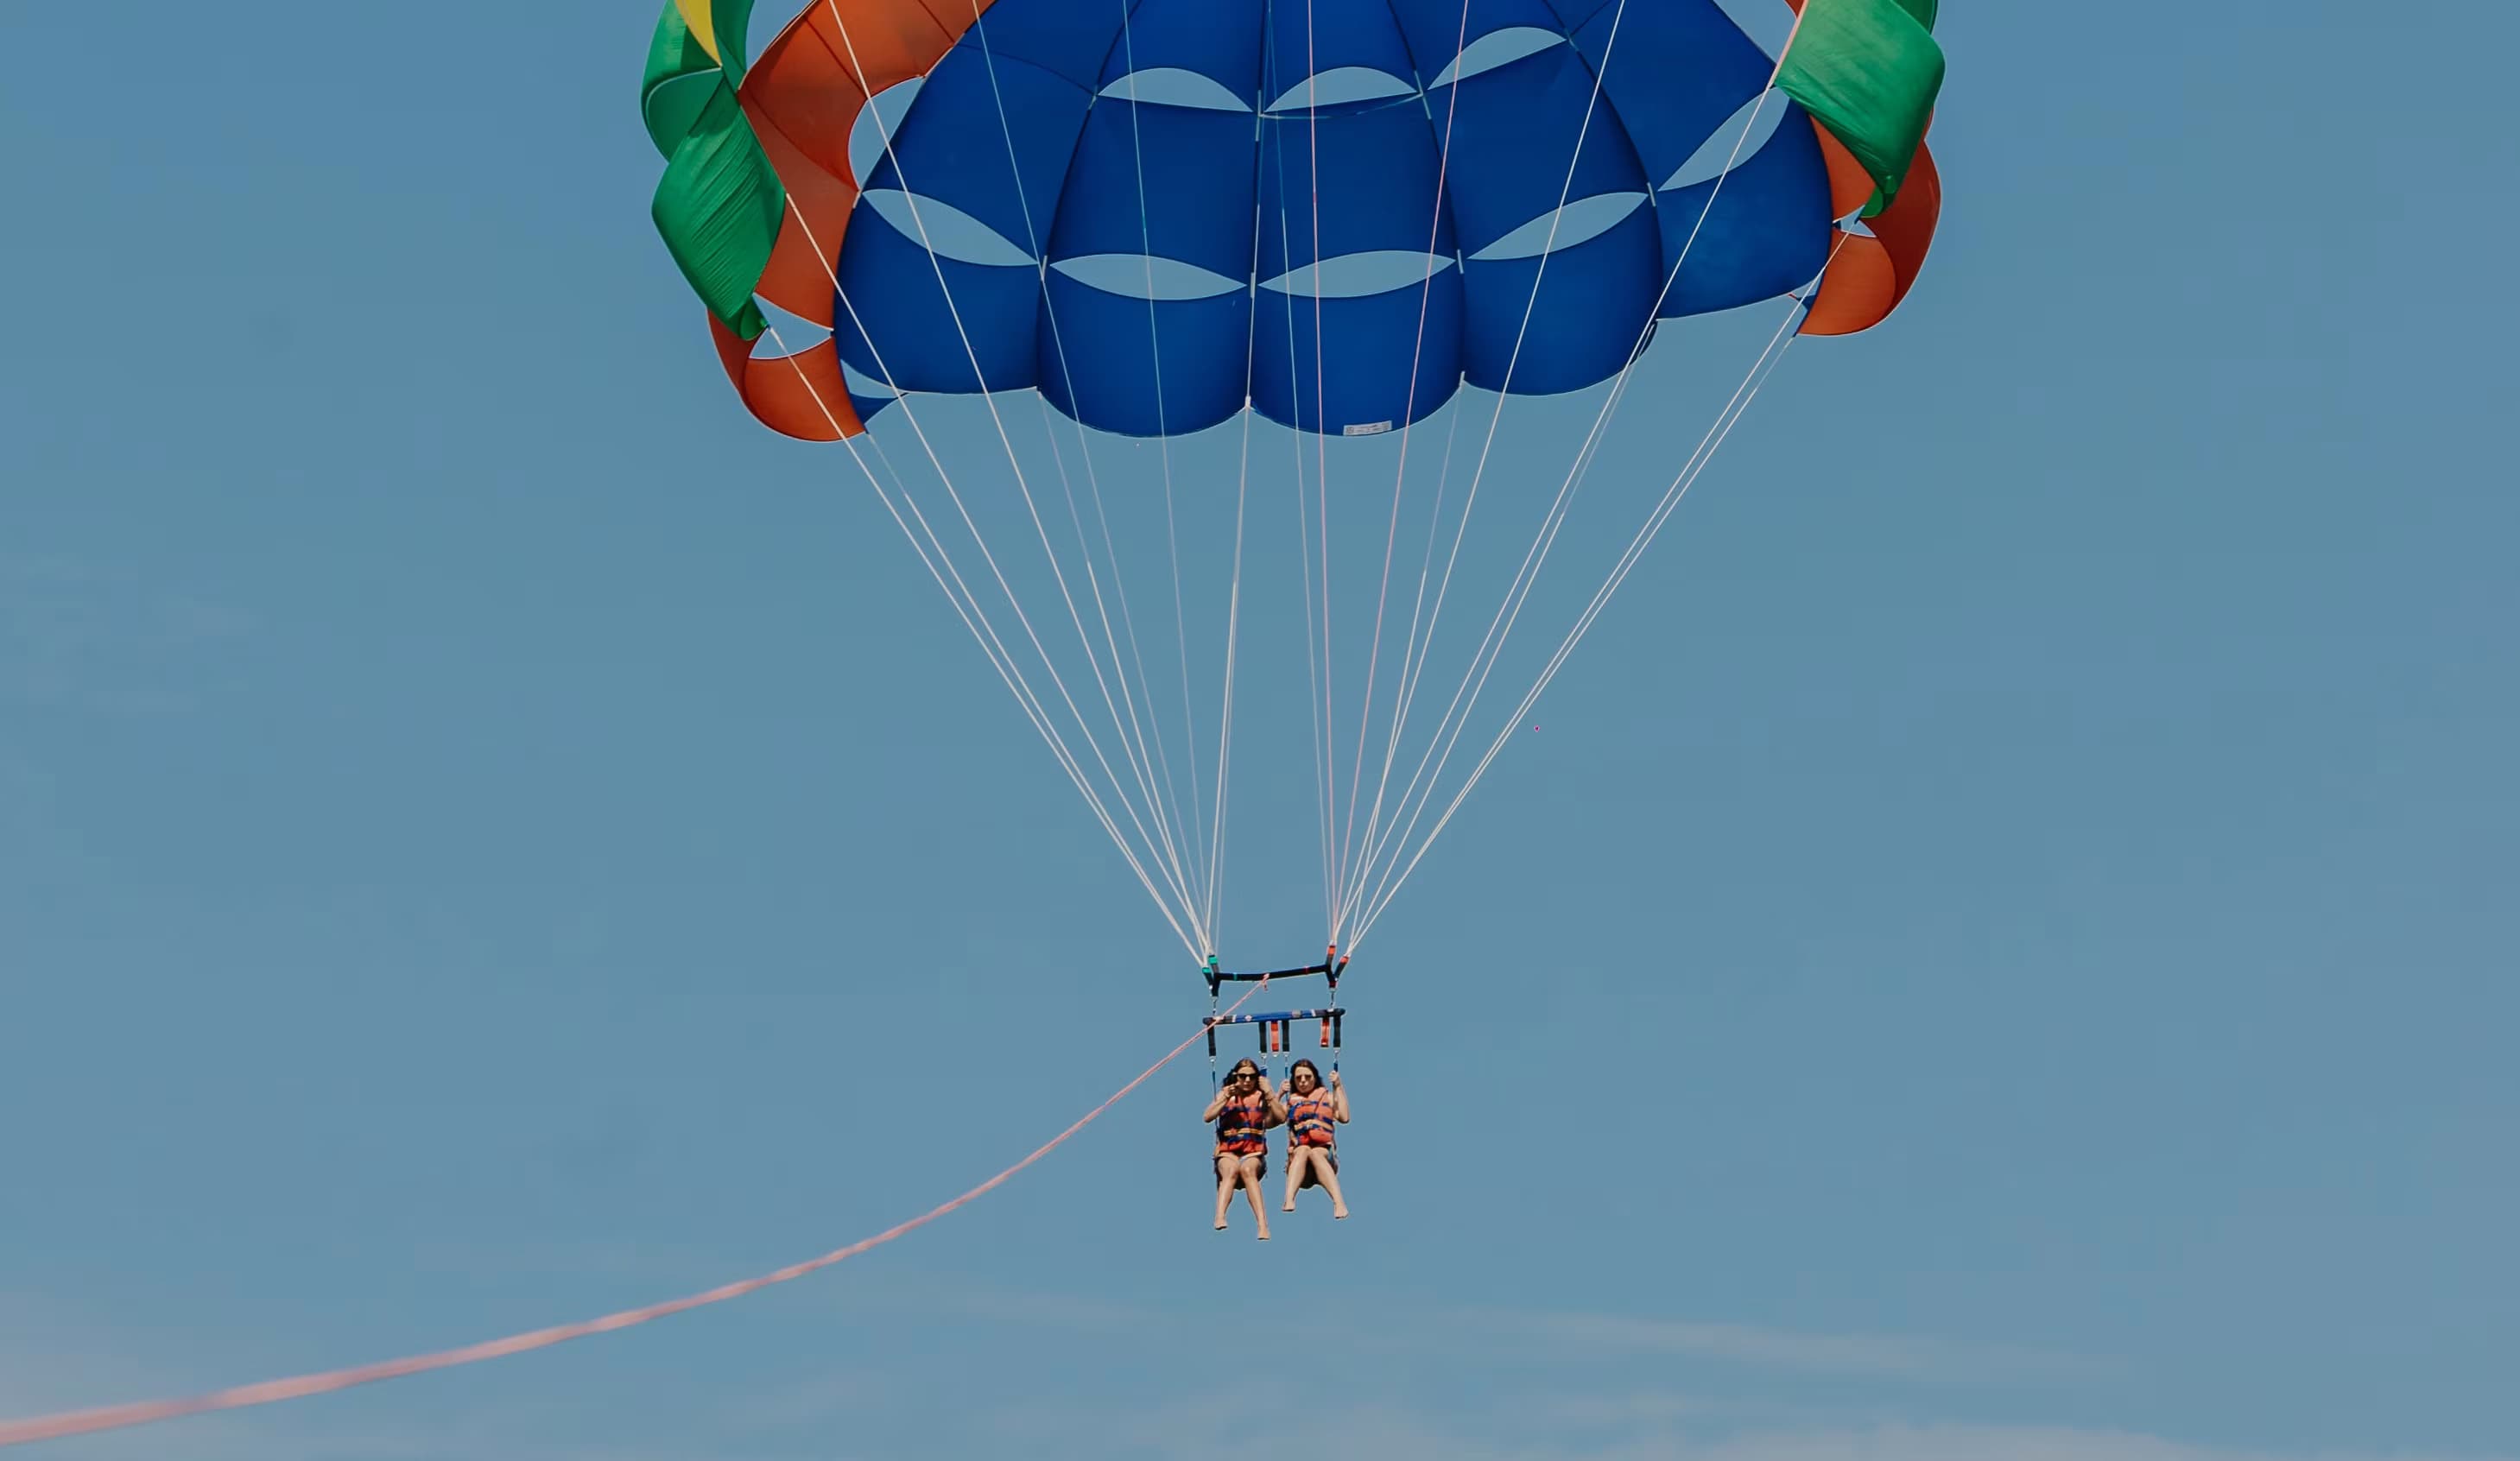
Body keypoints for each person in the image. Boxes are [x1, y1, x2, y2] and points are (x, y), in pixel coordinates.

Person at [1204, 1057, 1284, 1238]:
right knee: (1230, 1170)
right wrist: (1225, 1097)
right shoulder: (1226, 1094)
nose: (1247, 1080)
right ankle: (1220, 1216)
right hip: (1228, 1151)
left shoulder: (1262, 1097)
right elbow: (1207, 1116)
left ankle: (1263, 1225)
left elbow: (1281, 1117)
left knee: (1248, 1171)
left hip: (1253, 1153)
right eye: (1243, 1076)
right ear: (1236, 1076)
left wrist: (1269, 1092)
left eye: (1252, 1077)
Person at [1279, 1059, 1350, 1219]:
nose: (1303, 1081)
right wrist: (1279, 1094)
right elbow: (1269, 1121)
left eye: (1307, 1077)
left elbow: (1344, 1117)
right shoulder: (1291, 1102)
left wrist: (1338, 1086)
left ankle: (1339, 1204)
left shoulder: (1328, 1097)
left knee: (1315, 1153)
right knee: (1303, 1150)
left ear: (1315, 1078)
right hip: (1299, 1161)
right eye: (1298, 1078)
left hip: (1324, 1154)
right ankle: (1289, 1198)